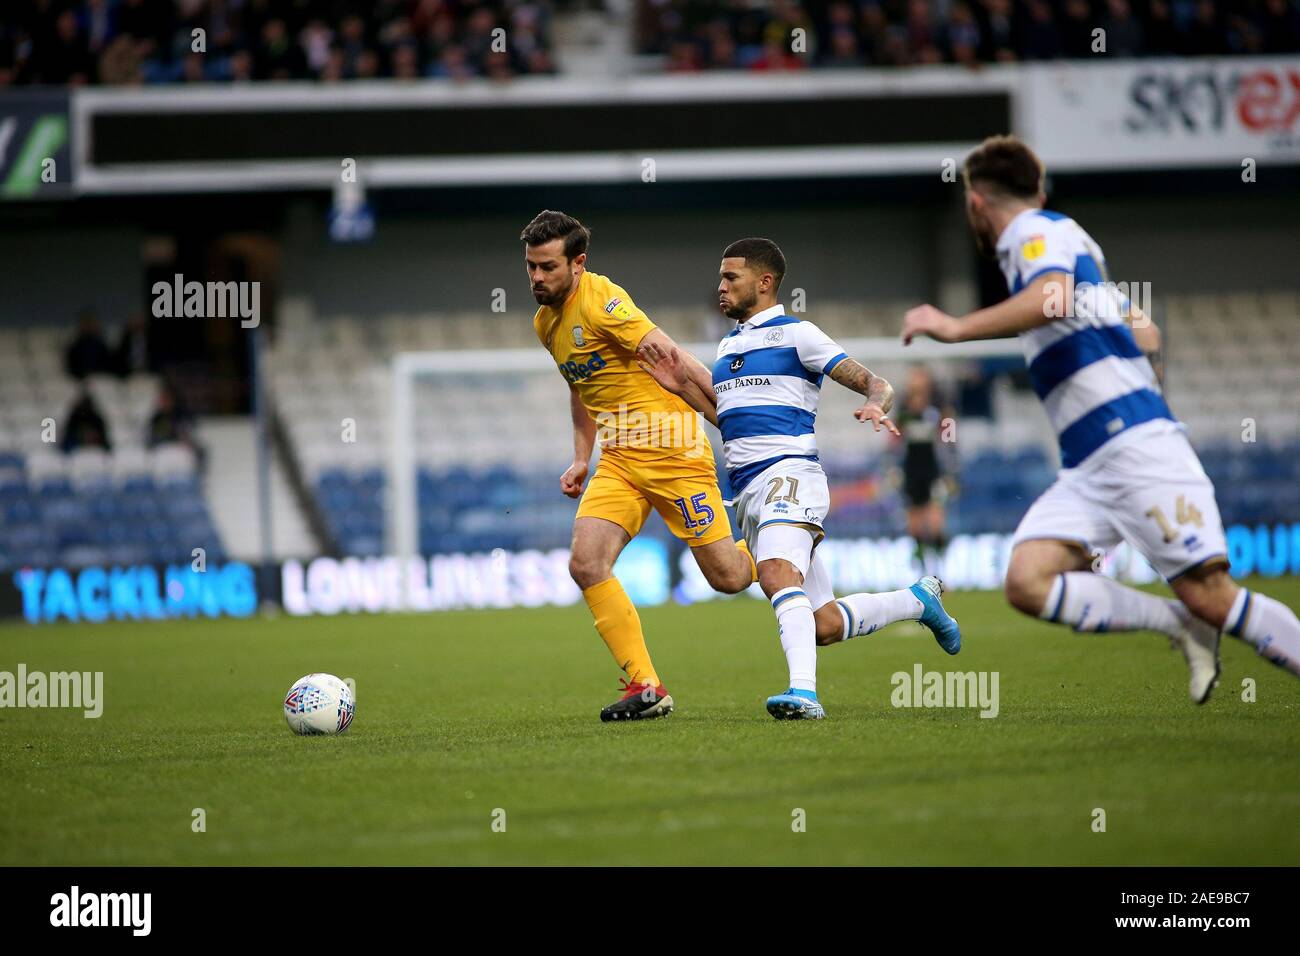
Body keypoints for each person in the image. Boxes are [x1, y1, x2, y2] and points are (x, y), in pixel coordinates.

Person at [900, 134, 1300, 701]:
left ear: (976, 203)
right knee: (1027, 581)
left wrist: (957, 328)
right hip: (1093, 463)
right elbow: (1147, 332)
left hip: (1131, 448)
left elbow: (1052, 296)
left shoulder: (1029, 233)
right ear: (1035, 187)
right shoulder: (1074, 241)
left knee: (1211, 592)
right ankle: (1179, 626)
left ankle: (1198, 617)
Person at [638, 238, 961, 720]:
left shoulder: (799, 335)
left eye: (731, 278)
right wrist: (682, 388)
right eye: (721, 277)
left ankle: (804, 694)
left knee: (773, 574)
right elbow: (729, 421)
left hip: (790, 475)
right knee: (823, 624)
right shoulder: (729, 347)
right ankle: (917, 601)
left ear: (765, 283)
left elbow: (877, 382)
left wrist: (876, 402)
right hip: (748, 490)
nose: (720, 287)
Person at [522, 210, 757, 722]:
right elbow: (580, 384)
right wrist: (582, 457)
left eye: (547, 267)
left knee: (731, 578)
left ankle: (779, 541)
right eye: (531, 267)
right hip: (621, 459)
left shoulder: (605, 303)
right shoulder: (546, 324)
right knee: (585, 563)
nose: (537, 278)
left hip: (674, 452)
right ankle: (646, 685)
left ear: (578, 264)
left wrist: (735, 423)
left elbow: (675, 361)